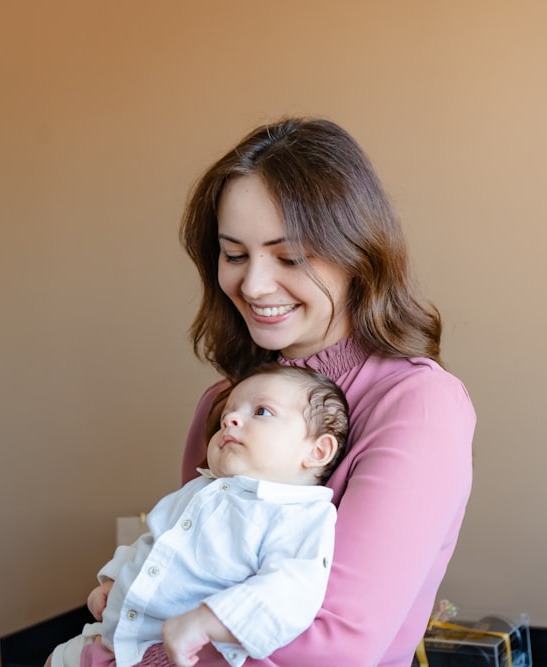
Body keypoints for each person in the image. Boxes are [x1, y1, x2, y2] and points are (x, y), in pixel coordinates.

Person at [178, 117, 476, 667]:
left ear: (357, 252)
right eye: (235, 255)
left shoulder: (418, 405)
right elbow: (177, 576)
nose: (254, 284)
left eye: (289, 257)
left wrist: (122, 659)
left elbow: (334, 648)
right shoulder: (223, 407)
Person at [46, 364, 351, 667]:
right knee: (54, 659)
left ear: (317, 451)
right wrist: (113, 580)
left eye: (261, 412)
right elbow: (155, 540)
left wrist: (208, 620)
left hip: (174, 651)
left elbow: (290, 589)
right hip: (115, 637)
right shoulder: (201, 489)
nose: (231, 420)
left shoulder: (299, 514)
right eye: (225, 418)